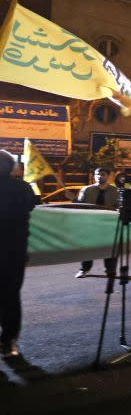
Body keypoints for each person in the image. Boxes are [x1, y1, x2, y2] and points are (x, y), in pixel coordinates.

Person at [0, 150, 36, 357]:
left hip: (12, 250)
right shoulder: (22, 188)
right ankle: (9, 341)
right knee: (11, 296)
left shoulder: (21, 188)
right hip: (14, 252)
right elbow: (31, 206)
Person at [74, 167, 120, 278]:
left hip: (108, 225)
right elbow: (79, 206)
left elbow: (118, 207)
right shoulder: (86, 190)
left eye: (103, 174)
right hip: (90, 224)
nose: (99, 176)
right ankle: (84, 269)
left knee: (110, 248)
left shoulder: (115, 191)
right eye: (97, 174)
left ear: (108, 176)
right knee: (88, 248)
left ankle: (110, 271)